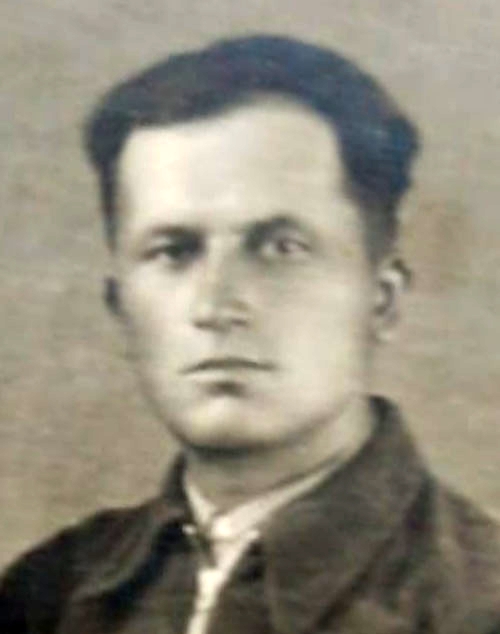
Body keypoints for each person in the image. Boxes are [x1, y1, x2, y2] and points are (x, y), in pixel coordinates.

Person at [1, 34, 499, 634]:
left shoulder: (478, 603)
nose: (216, 306)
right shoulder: (46, 594)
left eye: (280, 248)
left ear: (381, 300)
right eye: (174, 250)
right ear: (121, 309)